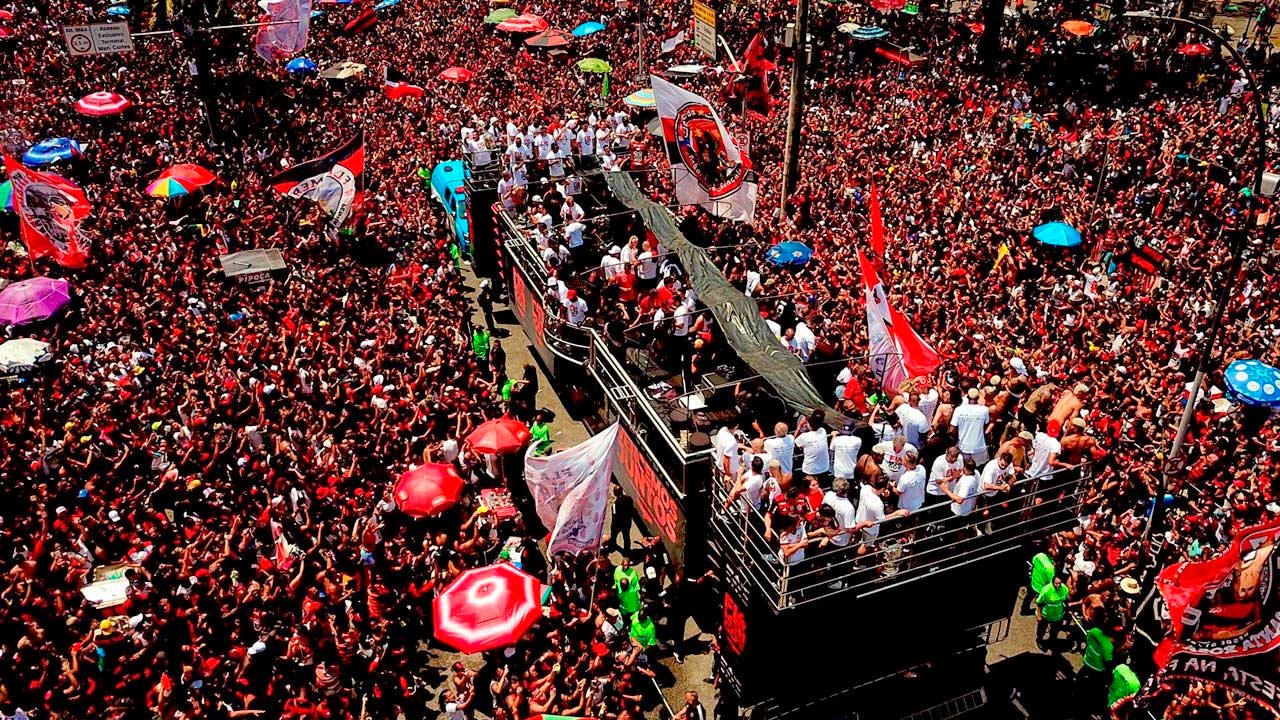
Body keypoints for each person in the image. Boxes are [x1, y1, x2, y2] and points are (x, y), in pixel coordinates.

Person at [952, 389, 993, 464]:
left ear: (967, 397)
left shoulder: (959, 410)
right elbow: (986, 426)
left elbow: (952, 429)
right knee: (979, 468)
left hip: (963, 447)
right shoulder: (984, 410)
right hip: (980, 447)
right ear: (978, 397)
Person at [1035, 576, 1070, 651]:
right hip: (1046, 614)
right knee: (1041, 630)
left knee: (1055, 631)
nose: (1058, 585)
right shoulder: (1046, 590)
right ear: (1052, 582)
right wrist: (1038, 615)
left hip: (1058, 615)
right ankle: (1039, 640)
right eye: (1056, 584)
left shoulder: (1064, 588)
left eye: (1059, 583)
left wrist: (1067, 610)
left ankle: (1051, 642)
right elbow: (1039, 603)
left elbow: (1065, 599)